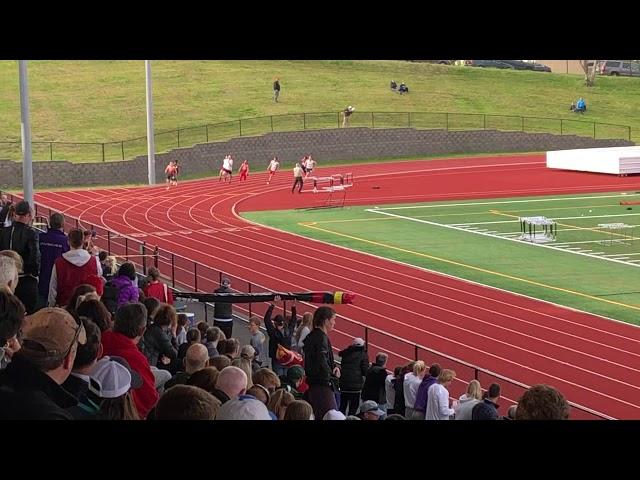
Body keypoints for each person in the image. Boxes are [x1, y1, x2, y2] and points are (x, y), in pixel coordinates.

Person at [0, 200, 40, 314]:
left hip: (6, 279)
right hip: (25, 281)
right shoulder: (31, 233)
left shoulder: (3, 232)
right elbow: (35, 258)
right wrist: (34, 273)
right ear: (28, 215)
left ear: (14, 214)